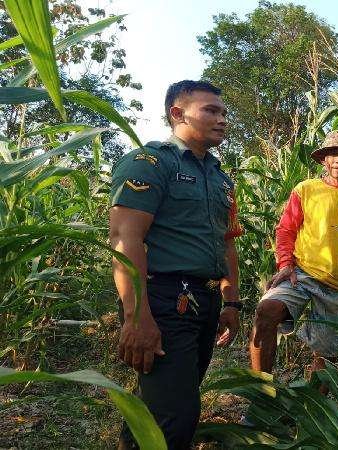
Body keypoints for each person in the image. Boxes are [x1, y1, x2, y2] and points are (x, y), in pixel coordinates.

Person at [109, 80, 243, 449]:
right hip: (165, 299)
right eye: (211, 111)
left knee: (161, 408)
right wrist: (137, 316)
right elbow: (124, 238)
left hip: (205, 300)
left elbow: (226, 241)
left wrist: (231, 301)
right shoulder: (150, 163)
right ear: (177, 113)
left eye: (224, 113)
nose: (222, 120)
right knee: (177, 417)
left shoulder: (219, 178)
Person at [246, 129, 338, 405]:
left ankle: (313, 409)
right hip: (302, 274)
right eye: (334, 154)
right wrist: (286, 263)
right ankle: (262, 397)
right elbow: (286, 230)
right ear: (323, 159)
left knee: (325, 353)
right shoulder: (306, 189)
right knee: (266, 311)